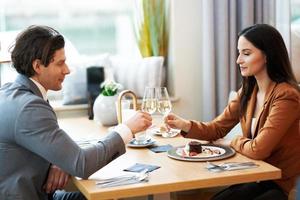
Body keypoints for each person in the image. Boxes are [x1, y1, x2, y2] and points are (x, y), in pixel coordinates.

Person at [0, 25, 152, 200]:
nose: (67, 70)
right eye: (60, 63)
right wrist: (126, 129)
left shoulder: (11, 92)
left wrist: (59, 161)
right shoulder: (29, 108)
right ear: (37, 66)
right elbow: (82, 164)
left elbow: (47, 144)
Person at [165, 24, 300, 200]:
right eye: (239, 53)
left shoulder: (287, 96)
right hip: (254, 174)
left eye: (246, 53)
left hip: (279, 182)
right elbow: (216, 128)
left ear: (267, 55)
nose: (238, 60)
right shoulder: (247, 91)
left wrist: (232, 142)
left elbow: (258, 149)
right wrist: (185, 125)